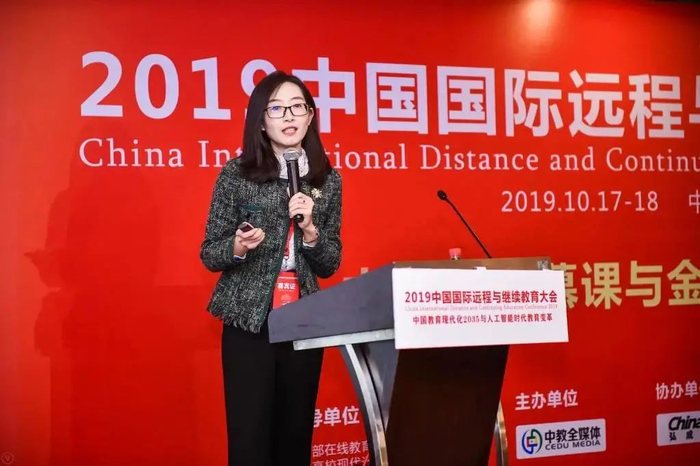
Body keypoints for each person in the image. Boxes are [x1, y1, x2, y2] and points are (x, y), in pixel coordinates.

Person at [200, 70, 342, 466]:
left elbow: (330, 262)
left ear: (311, 116)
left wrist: (310, 230)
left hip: (303, 323)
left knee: (295, 439)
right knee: (251, 440)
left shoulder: (327, 180)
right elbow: (210, 253)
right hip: (249, 322)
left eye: (298, 106)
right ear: (261, 121)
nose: (289, 116)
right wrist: (238, 246)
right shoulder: (237, 174)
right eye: (277, 108)